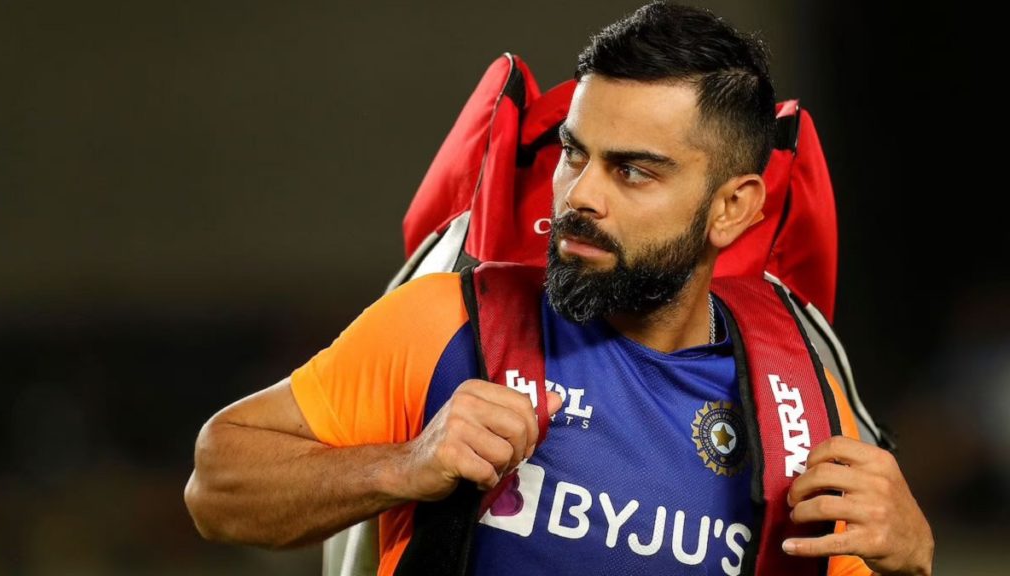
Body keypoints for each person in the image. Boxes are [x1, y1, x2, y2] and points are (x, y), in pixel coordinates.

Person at [183, 3, 934, 575]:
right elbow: (215, 487)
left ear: (733, 207)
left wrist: (912, 560)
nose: (578, 196)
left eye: (632, 170)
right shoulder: (447, 327)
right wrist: (405, 465)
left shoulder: (800, 407)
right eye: (575, 154)